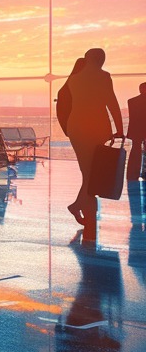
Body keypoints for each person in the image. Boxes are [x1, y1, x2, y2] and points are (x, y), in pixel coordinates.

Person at [62, 48, 124, 240]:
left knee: (87, 171)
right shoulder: (104, 76)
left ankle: (79, 206)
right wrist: (120, 128)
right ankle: (79, 207)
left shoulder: (74, 79)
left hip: (76, 128)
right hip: (95, 127)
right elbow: (111, 102)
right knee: (90, 173)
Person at [128, 82, 146, 184]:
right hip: (140, 129)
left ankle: (132, 173)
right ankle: (142, 172)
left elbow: (133, 118)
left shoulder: (132, 101)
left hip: (136, 129)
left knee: (135, 151)